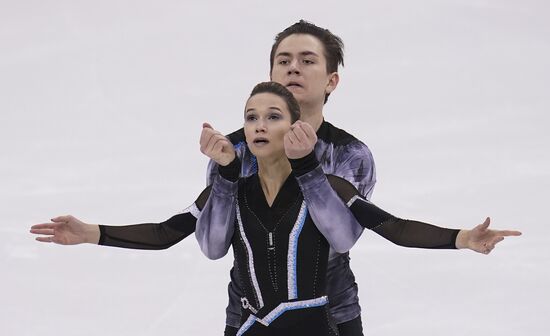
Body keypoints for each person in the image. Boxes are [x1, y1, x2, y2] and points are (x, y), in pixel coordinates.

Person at [31, 81, 521, 336]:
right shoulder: (231, 187)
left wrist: (462, 238)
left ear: (294, 126)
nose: (258, 125)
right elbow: (176, 236)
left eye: (272, 116)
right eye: (250, 117)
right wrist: (89, 231)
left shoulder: (325, 183)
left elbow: (383, 227)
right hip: (246, 327)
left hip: (311, 328)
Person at [203, 20, 377, 336]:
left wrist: (305, 167)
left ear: (331, 81)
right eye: (284, 61)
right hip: (249, 316)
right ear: (271, 77)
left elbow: (339, 238)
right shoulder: (234, 153)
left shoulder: (349, 154)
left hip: (332, 315)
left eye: (307, 61)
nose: (293, 68)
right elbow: (218, 242)